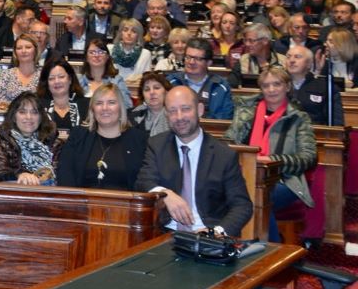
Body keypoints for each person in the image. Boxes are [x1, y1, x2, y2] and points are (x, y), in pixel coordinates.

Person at [135, 85, 253, 237]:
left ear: (200, 110)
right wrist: (165, 194)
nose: (179, 117)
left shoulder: (223, 154)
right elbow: (143, 182)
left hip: (209, 236)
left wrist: (215, 232)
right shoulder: (157, 145)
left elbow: (242, 206)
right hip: (166, 234)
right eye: (172, 111)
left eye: (185, 109)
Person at [223, 67, 317, 241]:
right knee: (241, 192)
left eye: (277, 84)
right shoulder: (246, 111)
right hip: (244, 175)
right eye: (266, 86)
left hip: (285, 181)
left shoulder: (298, 118)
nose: (271, 90)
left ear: (287, 87)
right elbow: (228, 142)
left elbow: (308, 158)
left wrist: (272, 161)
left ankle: (267, 250)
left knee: (255, 195)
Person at [56, 84, 148, 191]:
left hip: (126, 205)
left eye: (111, 102)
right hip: (84, 204)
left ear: (121, 108)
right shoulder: (78, 136)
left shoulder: (139, 140)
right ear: (92, 109)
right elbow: (65, 175)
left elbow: (144, 181)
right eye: (99, 103)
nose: (105, 108)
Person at [0, 93, 62, 185]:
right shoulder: (3, 140)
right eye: (22, 112)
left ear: (41, 117)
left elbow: (61, 175)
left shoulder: (54, 142)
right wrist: (20, 174)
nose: (29, 117)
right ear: (13, 116)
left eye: (34, 112)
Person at [167, 37, 234, 119]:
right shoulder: (171, 82)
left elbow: (224, 119)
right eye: (188, 57)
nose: (191, 62)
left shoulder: (221, 86)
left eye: (197, 59)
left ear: (208, 63)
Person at [36, 57, 90, 131]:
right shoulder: (37, 105)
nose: (57, 81)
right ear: (46, 83)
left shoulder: (86, 105)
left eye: (61, 77)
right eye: (51, 78)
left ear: (70, 79)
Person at [0, 35, 42, 109]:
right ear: (15, 52)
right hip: (9, 117)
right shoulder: (6, 75)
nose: (23, 51)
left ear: (36, 50)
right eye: (19, 48)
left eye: (28, 47)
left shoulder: (44, 75)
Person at [79, 37, 129, 102]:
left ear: (107, 57)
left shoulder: (117, 81)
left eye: (101, 52)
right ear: (86, 58)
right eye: (92, 52)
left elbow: (127, 107)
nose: (96, 56)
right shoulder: (80, 83)